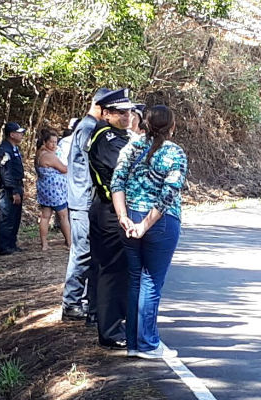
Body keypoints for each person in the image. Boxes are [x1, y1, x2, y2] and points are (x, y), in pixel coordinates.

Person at [111, 105, 187, 359]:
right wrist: (146, 224)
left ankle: (134, 342)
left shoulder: (130, 147)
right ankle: (148, 343)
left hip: (129, 215)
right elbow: (169, 192)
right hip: (161, 221)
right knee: (152, 281)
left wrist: (122, 216)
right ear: (171, 127)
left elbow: (117, 182)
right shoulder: (174, 152)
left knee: (135, 279)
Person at [88, 88, 134, 349]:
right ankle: (110, 330)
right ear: (106, 113)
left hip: (112, 208)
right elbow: (124, 171)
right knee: (112, 271)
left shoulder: (119, 136)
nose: (126, 116)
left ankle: (111, 320)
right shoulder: (106, 138)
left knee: (116, 269)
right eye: (120, 112)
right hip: (109, 208)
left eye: (128, 111)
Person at [61, 88, 110, 322]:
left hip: (84, 198)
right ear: (100, 107)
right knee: (82, 252)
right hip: (83, 200)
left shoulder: (87, 127)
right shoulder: (89, 128)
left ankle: (77, 301)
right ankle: (71, 303)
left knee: (85, 252)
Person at [35, 129, 71, 250]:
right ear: (45, 142)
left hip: (45, 189)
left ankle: (45, 244)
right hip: (54, 191)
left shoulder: (40, 153)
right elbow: (64, 169)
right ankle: (70, 243)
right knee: (63, 216)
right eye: (51, 142)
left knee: (46, 215)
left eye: (56, 142)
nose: (54, 145)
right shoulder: (48, 156)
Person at [0, 122, 26, 256]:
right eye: (19, 133)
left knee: (15, 217)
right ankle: (4, 247)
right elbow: (5, 172)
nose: (22, 135)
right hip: (9, 188)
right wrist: (13, 190)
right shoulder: (4, 150)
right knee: (7, 217)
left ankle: (12, 244)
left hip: (17, 185)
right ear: (12, 134)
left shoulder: (13, 148)